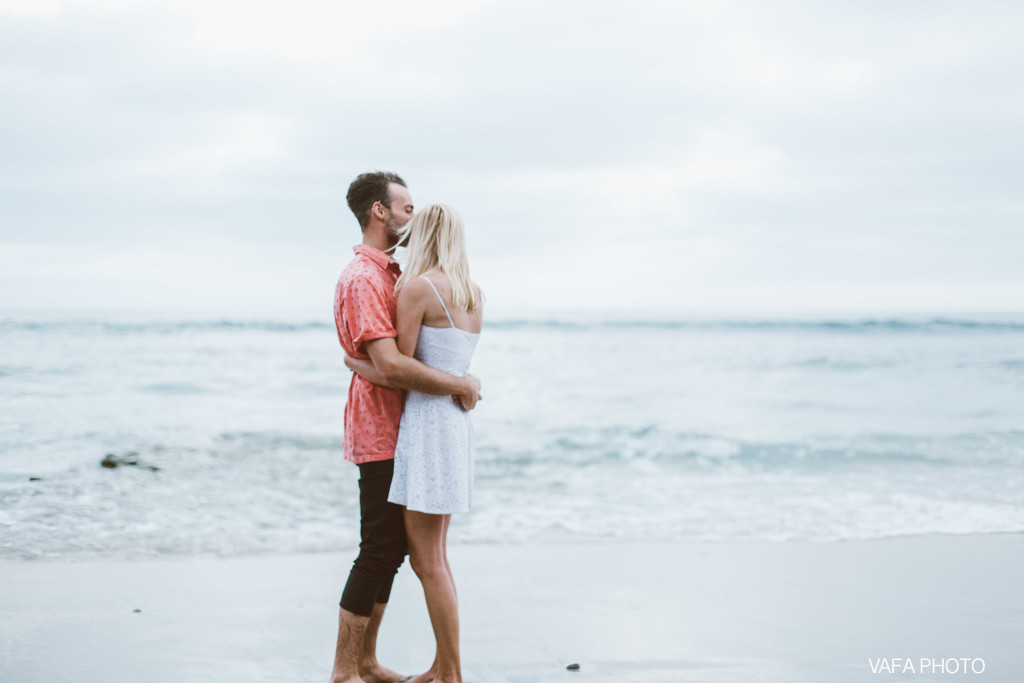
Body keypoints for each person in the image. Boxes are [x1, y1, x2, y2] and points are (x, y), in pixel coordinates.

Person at [330, 173, 482, 683]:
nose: (410, 218)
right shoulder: (368, 279)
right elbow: (394, 365)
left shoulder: (404, 281)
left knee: (405, 556)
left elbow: (397, 363)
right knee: (391, 551)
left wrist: (457, 384)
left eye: (417, 211)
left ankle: (377, 666)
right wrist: (459, 384)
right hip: (399, 431)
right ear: (380, 212)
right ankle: (356, 669)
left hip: (418, 428)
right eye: (405, 207)